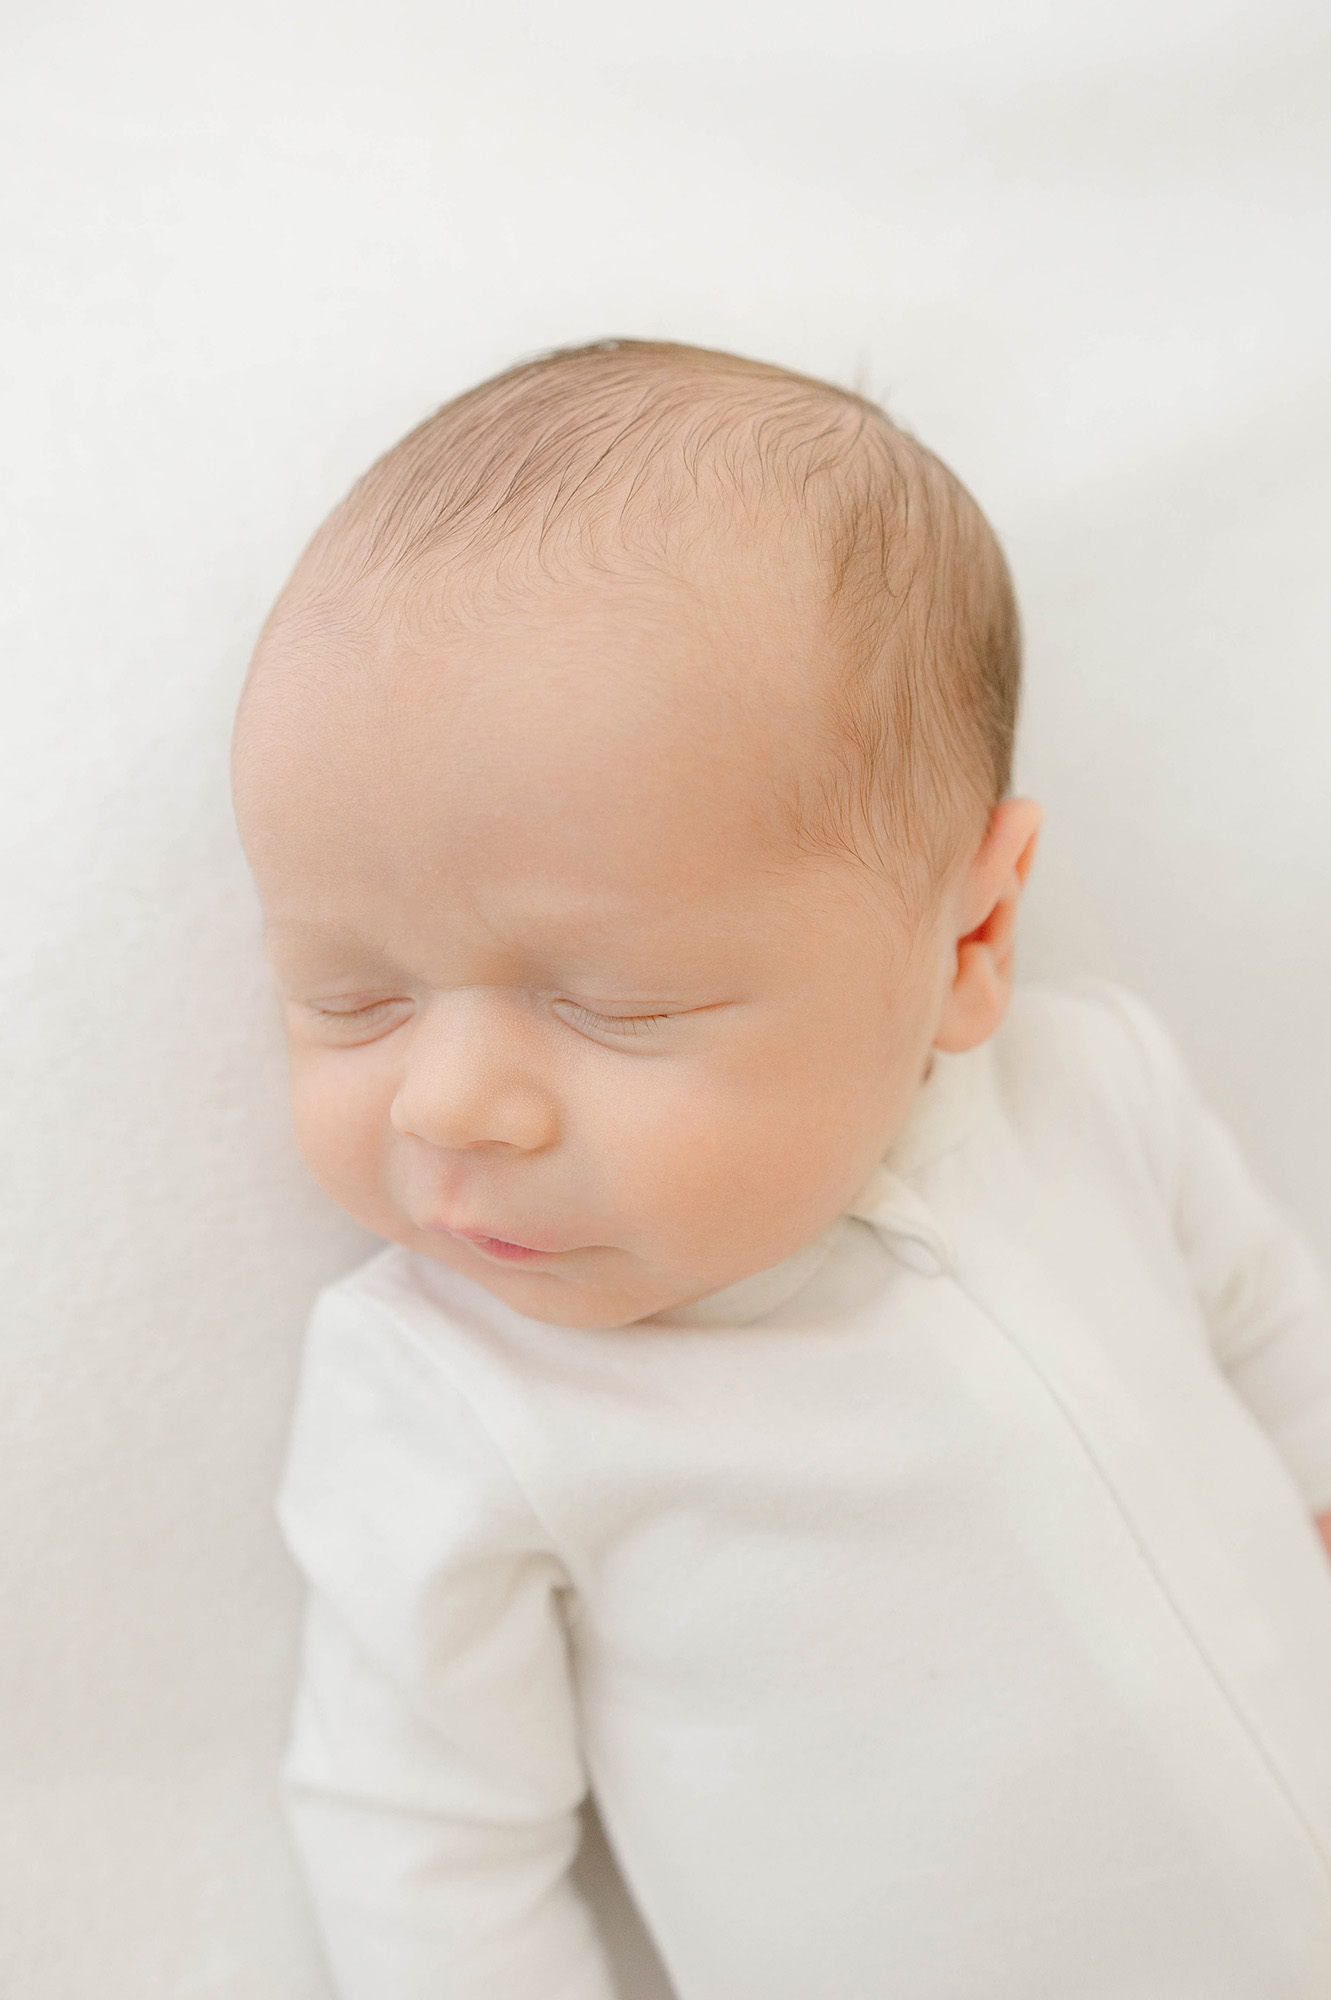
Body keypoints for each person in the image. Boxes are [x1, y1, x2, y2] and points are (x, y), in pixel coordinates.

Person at [230, 340, 1331, 1999]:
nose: (450, 1106)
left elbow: (1264, 1320)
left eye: (621, 1005)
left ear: (971, 933)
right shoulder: (451, 1386)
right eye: (350, 999)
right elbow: (422, 1843)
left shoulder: (1087, 1084)